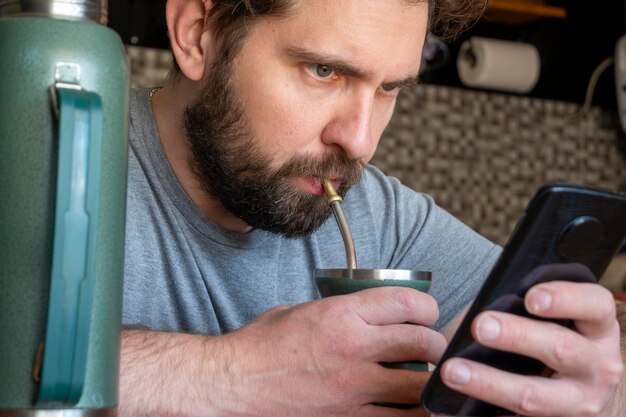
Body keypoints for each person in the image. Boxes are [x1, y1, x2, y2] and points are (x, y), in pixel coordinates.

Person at [119, 0, 625, 416]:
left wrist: (593, 388)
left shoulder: (383, 217)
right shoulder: (62, 164)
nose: (359, 142)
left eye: (388, 89)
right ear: (197, 32)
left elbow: (563, 356)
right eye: (324, 71)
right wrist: (229, 375)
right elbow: (35, 359)